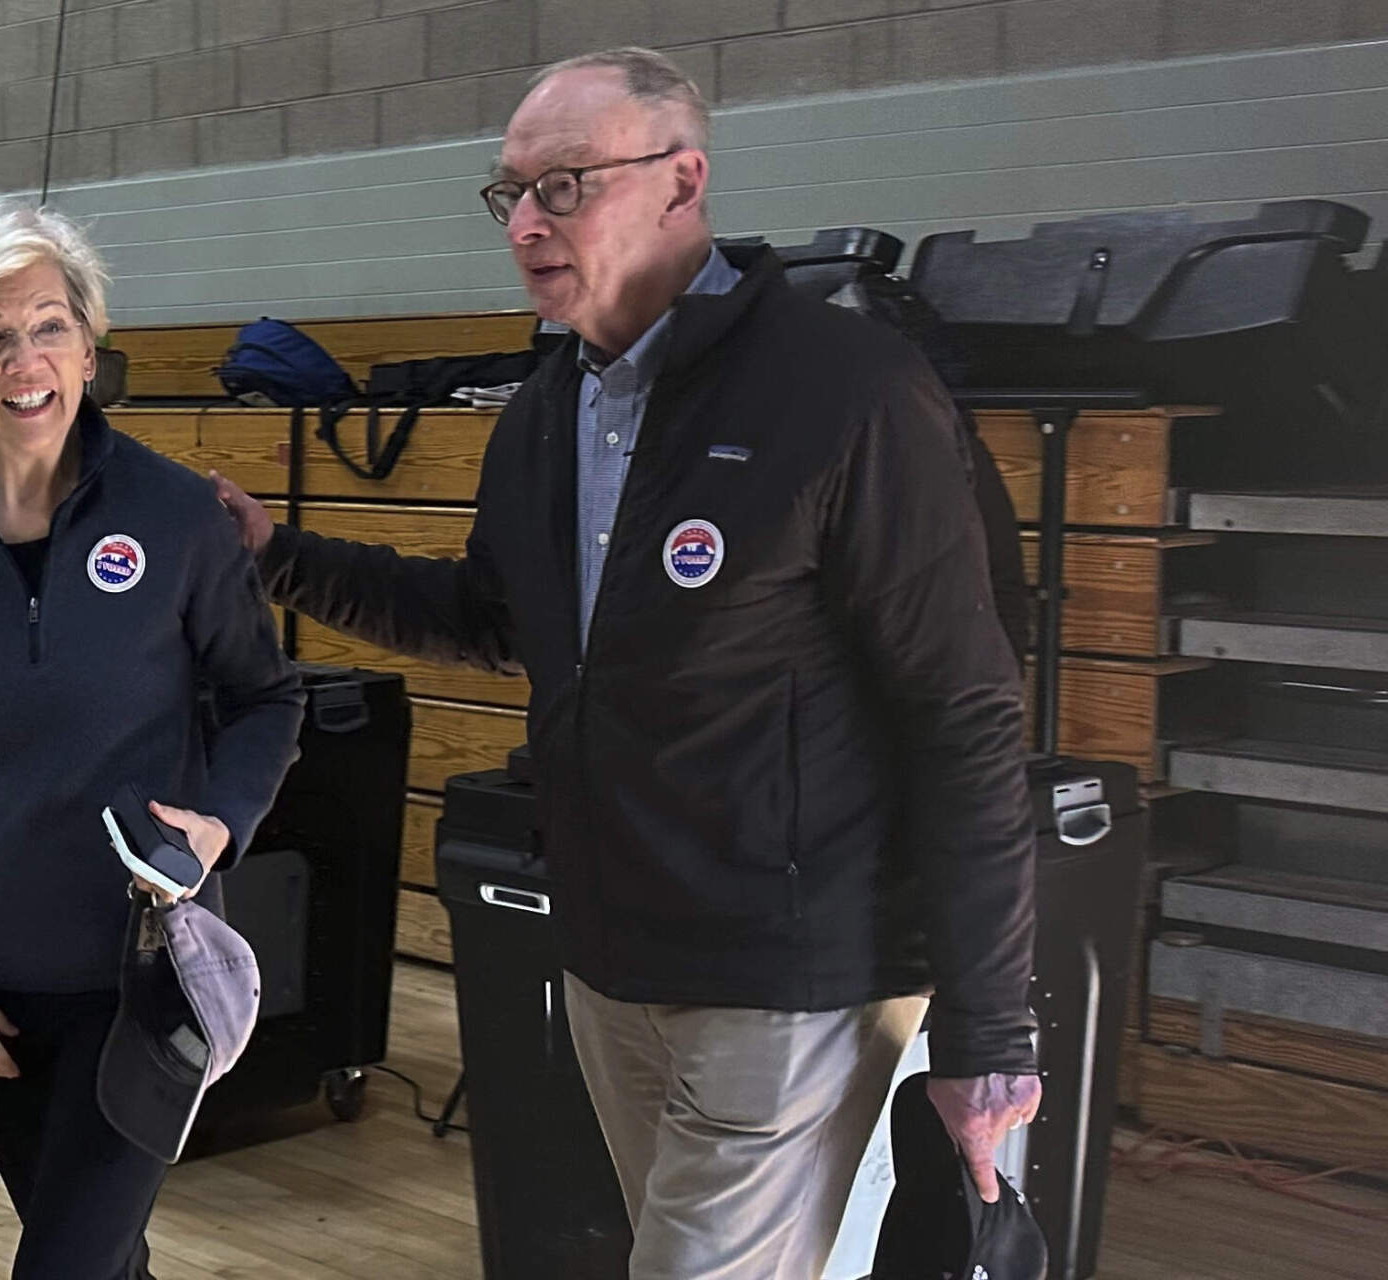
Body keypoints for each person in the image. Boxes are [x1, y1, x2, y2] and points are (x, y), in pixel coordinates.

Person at [213, 47, 1041, 1280]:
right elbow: (493, 618)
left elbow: (965, 713)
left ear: (682, 180)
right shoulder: (551, 408)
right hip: (612, 961)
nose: (529, 225)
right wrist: (276, 552)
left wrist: (991, 1024)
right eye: (511, 195)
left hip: (792, 977)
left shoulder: (847, 388)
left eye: (566, 185)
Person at [0, 200, 304, 1279]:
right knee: (105, 1261)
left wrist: (220, 827)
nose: (26, 358)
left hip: (143, 976)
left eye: (50, 325)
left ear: (90, 349)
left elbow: (265, 696)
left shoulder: (177, 512)